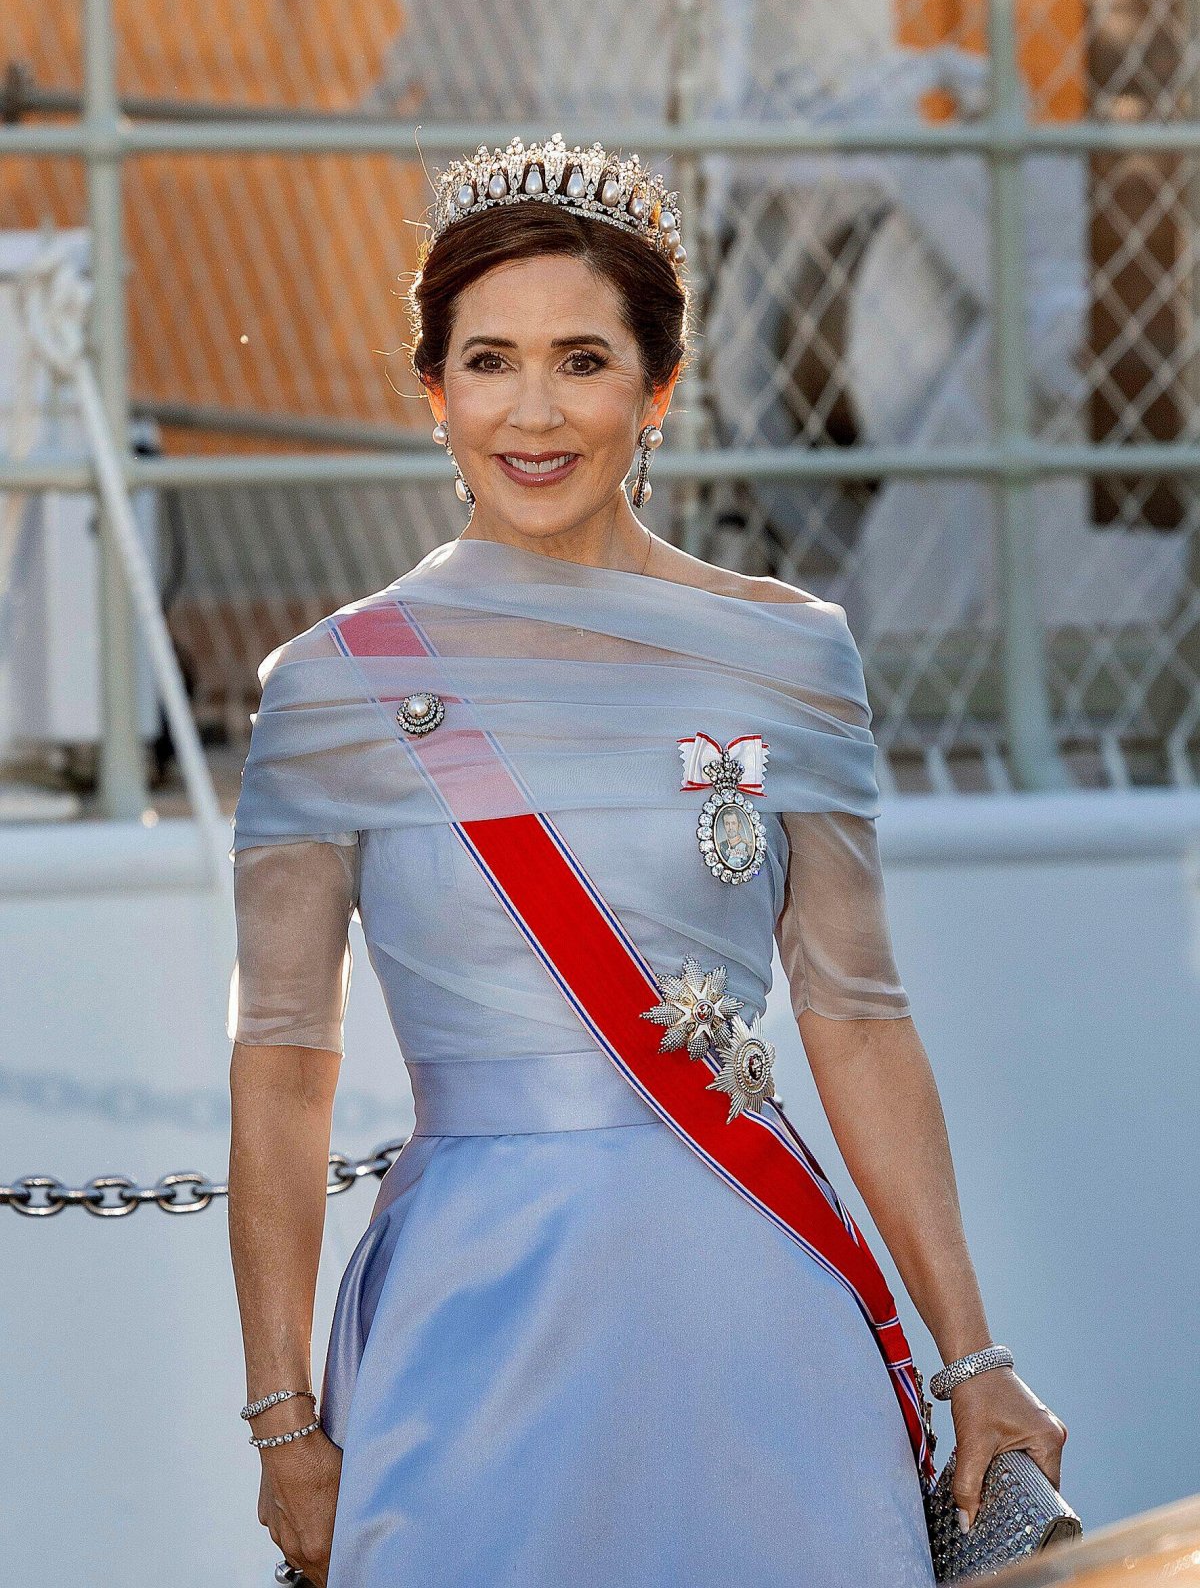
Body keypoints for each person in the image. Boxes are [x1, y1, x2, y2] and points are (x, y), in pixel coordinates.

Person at [226, 133, 1068, 1588]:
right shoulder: (336, 684)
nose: (534, 413)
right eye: (489, 362)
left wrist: (972, 1356)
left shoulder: (790, 653)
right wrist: (282, 1417)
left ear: (658, 387)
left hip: (758, 1309)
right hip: (465, 1328)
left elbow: (857, 1016)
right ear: (433, 392)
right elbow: (284, 1062)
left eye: (582, 360)